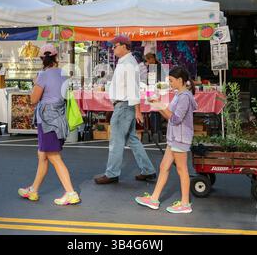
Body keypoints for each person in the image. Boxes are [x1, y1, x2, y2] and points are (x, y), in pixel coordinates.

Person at [18, 44, 81, 206]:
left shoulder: (43, 76)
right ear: (56, 57)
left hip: (47, 121)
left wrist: (35, 83)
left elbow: (33, 99)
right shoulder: (64, 74)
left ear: (42, 59)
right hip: (59, 120)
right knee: (43, 156)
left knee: (53, 156)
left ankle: (71, 192)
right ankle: (34, 189)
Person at [94, 34, 156, 184]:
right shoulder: (126, 62)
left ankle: (112, 173)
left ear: (123, 46)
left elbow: (133, 89)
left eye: (115, 46)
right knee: (132, 139)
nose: (113, 48)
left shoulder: (127, 63)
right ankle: (148, 170)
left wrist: (138, 110)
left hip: (123, 105)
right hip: (124, 105)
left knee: (116, 141)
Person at [135, 66, 197, 214]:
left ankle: (185, 203)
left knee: (182, 170)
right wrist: (156, 103)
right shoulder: (179, 94)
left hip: (180, 137)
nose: (169, 83)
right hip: (175, 137)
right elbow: (169, 114)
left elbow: (175, 119)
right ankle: (154, 199)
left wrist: (159, 104)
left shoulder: (184, 97)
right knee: (164, 167)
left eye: (171, 80)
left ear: (180, 80)